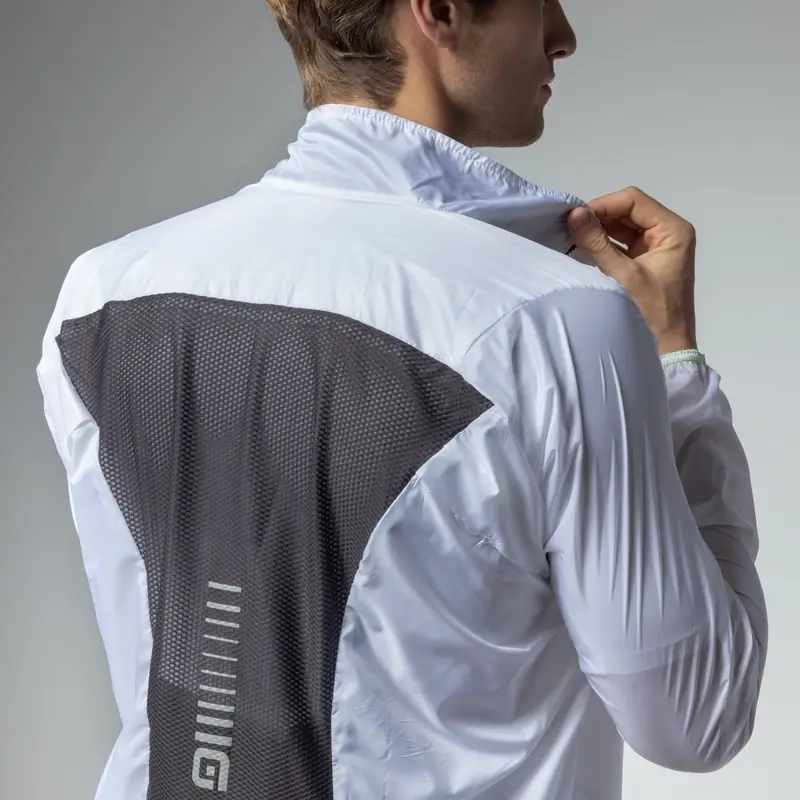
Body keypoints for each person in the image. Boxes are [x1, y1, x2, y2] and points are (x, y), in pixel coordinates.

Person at [37, 1, 767, 798]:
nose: (564, 35)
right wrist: (674, 363)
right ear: (440, 11)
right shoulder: (556, 321)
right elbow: (697, 718)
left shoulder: (101, 298)